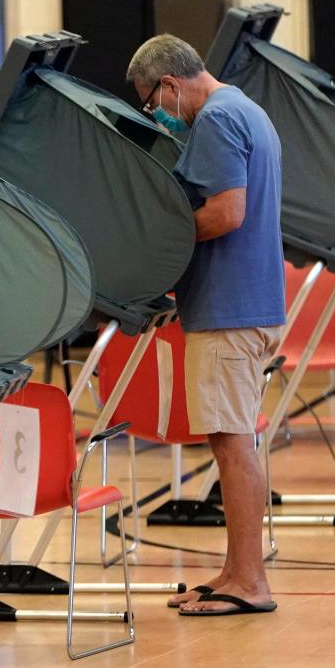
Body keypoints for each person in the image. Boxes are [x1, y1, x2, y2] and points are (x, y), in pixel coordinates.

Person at [126, 34, 285, 617]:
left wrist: (159, 241)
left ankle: (250, 582)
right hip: (250, 303)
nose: (159, 115)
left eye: (153, 102)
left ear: (169, 84)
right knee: (231, 440)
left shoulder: (216, 119)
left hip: (229, 310)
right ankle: (235, 571)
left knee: (232, 443)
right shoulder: (246, 109)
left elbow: (226, 211)